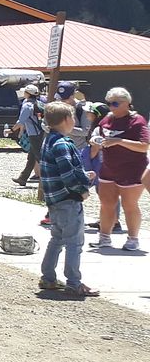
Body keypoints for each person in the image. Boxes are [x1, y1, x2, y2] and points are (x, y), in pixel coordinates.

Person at [37, 101, 99, 297]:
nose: (74, 121)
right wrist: (82, 190)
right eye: (72, 117)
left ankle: (48, 277)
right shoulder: (63, 143)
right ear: (66, 119)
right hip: (68, 199)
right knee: (74, 242)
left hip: (54, 200)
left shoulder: (49, 140)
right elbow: (68, 175)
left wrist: (83, 175)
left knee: (57, 239)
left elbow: (61, 170)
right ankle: (73, 282)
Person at [89, 87, 147, 253]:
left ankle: (133, 239)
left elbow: (144, 146)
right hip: (108, 168)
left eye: (115, 103)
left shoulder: (137, 121)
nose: (111, 107)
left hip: (132, 170)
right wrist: (95, 140)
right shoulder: (107, 119)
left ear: (127, 103)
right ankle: (104, 237)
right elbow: (101, 135)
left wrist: (119, 141)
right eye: (109, 103)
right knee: (106, 204)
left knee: (129, 205)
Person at [12, 84, 45, 187]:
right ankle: (23, 178)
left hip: (33, 134)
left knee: (39, 157)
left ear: (27, 94)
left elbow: (21, 121)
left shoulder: (27, 105)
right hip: (41, 132)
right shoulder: (39, 103)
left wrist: (12, 130)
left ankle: (51, 178)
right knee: (32, 157)